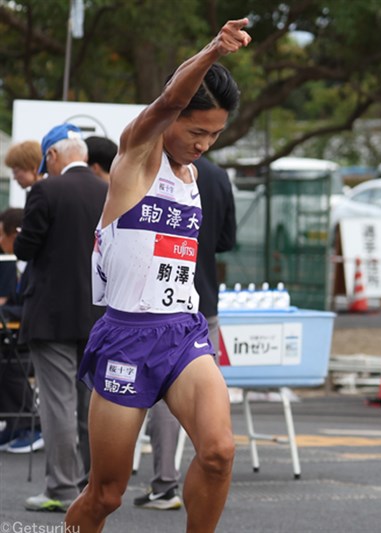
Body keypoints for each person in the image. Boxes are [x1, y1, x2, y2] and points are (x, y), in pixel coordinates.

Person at [65, 19, 250, 533]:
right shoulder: (137, 156)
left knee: (218, 452)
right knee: (106, 494)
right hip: (127, 336)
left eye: (215, 134)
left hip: (183, 332)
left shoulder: (194, 174)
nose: (204, 145)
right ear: (172, 120)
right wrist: (214, 49)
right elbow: (169, 102)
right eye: (196, 131)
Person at [133, 155, 237, 511]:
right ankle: (207, 470)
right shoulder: (219, 176)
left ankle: (164, 481)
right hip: (205, 299)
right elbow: (227, 238)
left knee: (164, 392)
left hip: (159, 305)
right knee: (207, 394)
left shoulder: (146, 168)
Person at [14, 124, 107, 511]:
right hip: (99, 314)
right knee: (92, 404)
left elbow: (25, 247)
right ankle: (93, 485)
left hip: (51, 315)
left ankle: (61, 489)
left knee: (57, 403)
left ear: (52, 156)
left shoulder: (45, 190)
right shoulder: (109, 189)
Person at [0, 207, 41, 454]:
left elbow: (26, 304)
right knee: (5, 358)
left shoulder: (33, 262)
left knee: (10, 362)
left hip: (38, 335)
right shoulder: (19, 262)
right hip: (24, 331)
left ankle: (30, 424)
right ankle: (17, 423)